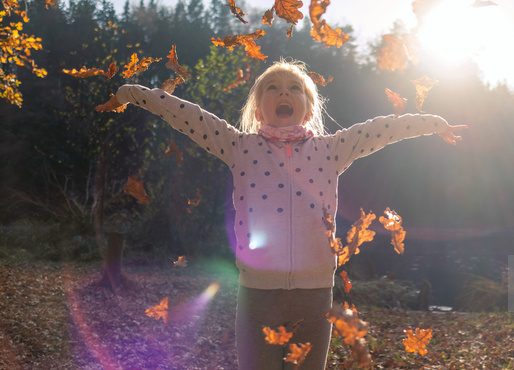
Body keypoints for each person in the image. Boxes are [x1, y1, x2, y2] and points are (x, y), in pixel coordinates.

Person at [108, 59, 467, 369]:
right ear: (259, 108)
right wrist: (128, 93)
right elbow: (187, 115)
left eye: (294, 88)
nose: (283, 93)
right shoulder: (238, 146)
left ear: (309, 109)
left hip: (314, 297)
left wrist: (434, 123)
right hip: (257, 296)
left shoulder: (332, 150)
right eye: (272, 88)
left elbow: (381, 130)